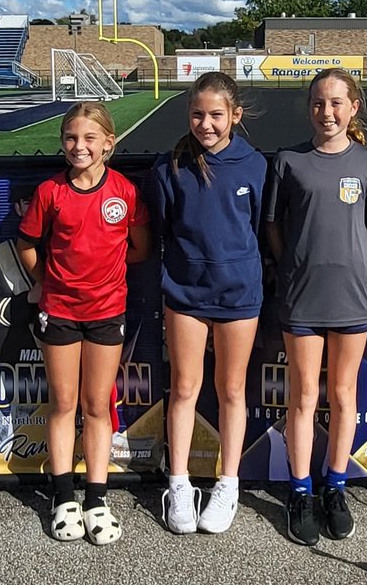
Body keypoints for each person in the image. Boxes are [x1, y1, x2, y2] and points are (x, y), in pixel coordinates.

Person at [17, 103, 150, 545]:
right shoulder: (50, 192)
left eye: (90, 138)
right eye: (71, 138)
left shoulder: (125, 192)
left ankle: (96, 498)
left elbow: (140, 248)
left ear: (108, 143)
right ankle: (62, 498)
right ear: (62, 142)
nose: (80, 146)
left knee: (96, 406)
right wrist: (49, 282)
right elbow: (27, 245)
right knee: (63, 404)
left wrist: (104, 276)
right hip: (59, 312)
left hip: (107, 312)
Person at [265, 69, 367, 545]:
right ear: (309, 107)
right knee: (302, 397)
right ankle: (300, 491)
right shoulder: (289, 161)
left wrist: (356, 264)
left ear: (353, 107)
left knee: (343, 393)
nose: (327, 112)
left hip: (351, 296)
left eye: (336, 103)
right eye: (318, 102)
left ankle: (335, 486)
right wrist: (292, 267)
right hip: (301, 296)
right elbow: (273, 226)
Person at [147, 72, 266, 535]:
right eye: (197, 114)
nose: (206, 124)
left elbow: (259, 228)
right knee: (184, 388)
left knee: (232, 390)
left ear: (235, 115)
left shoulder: (255, 165)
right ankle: (178, 483)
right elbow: (162, 228)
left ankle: (227, 483)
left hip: (239, 294)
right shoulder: (169, 167)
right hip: (185, 293)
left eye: (216, 115)